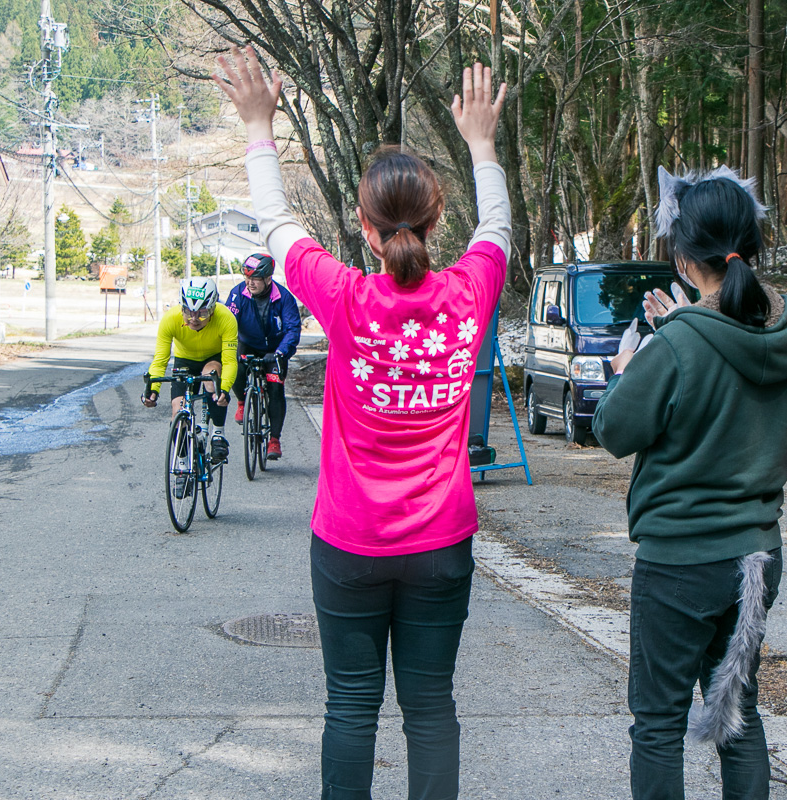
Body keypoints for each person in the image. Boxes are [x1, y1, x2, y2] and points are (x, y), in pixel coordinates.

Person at [214, 47, 509, 800]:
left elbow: (276, 219)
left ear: (365, 227)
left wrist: (259, 124)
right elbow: (499, 226)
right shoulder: (471, 291)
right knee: (431, 710)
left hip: (348, 543)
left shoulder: (342, 296)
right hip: (442, 543)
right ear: (437, 220)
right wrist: (481, 143)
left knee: (350, 707)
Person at [592, 163, 787, 800]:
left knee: (659, 722)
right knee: (737, 717)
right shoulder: (786, 325)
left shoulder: (677, 344)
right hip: (757, 555)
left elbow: (613, 429)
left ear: (685, 259)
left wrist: (627, 367)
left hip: (681, 561)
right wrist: (681, 331)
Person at [143, 276, 238, 470]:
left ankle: (218, 434)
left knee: (211, 379)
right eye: (188, 312)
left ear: (212, 308)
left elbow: (229, 361)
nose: (194, 319)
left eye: (202, 313)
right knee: (177, 411)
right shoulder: (171, 319)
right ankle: (182, 465)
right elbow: (160, 359)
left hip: (213, 357)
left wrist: (225, 389)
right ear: (182, 307)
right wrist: (153, 389)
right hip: (184, 360)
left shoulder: (226, 317)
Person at [226, 252, 302, 460]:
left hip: (275, 349)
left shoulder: (284, 298)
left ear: (268, 278)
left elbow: (292, 330)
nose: (249, 283)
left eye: (255, 279)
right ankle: (242, 401)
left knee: (275, 387)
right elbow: (227, 323)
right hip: (247, 344)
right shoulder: (238, 293)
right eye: (247, 278)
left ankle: (274, 439)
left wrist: (280, 353)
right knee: (234, 365)